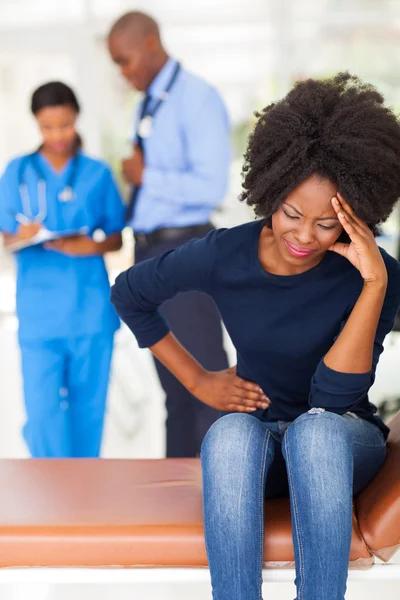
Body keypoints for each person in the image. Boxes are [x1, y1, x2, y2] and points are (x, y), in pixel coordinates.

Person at [111, 72, 400, 600]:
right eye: (292, 214)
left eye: (326, 224)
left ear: (355, 217)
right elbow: (130, 294)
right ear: (271, 189)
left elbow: (332, 400)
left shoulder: (375, 274)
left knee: (314, 432)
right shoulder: (225, 254)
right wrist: (198, 381)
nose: (304, 237)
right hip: (264, 444)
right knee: (228, 434)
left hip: (342, 441)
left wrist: (374, 281)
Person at [107, 11, 230, 457]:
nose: (123, 72)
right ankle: (177, 504)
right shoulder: (150, 102)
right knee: (176, 391)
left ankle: (220, 492)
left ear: (152, 43)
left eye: (126, 60)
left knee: (206, 382)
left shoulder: (197, 99)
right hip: (150, 255)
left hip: (186, 251)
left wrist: (147, 174)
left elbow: (211, 186)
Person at [0, 82, 125, 458]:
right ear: (37, 125)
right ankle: (51, 497)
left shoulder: (96, 173)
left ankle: (83, 497)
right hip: (39, 317)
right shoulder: (17, 172)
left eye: (65, 125)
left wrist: (91, 245)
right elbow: (5, 237)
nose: (57, 135)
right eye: (47, 127)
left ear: (77, 119)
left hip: (89, 311)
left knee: (89, 412)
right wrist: (19, 235)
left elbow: (116, 236)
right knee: (42, 414)